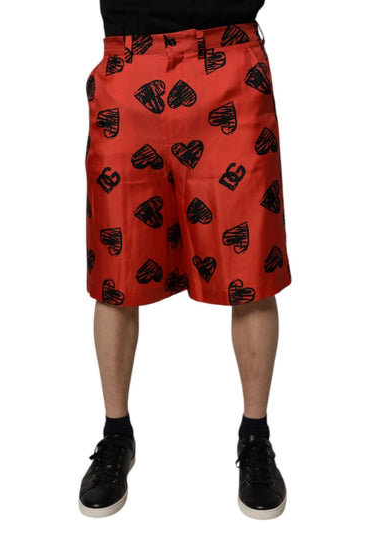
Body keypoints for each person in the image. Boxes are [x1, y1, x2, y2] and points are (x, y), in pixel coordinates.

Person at [79, 0, 291, 519]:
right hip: (129, 64)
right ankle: (116, 435)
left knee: (251, 272)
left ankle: (255, 437)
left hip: (230, 62)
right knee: (115, 275)